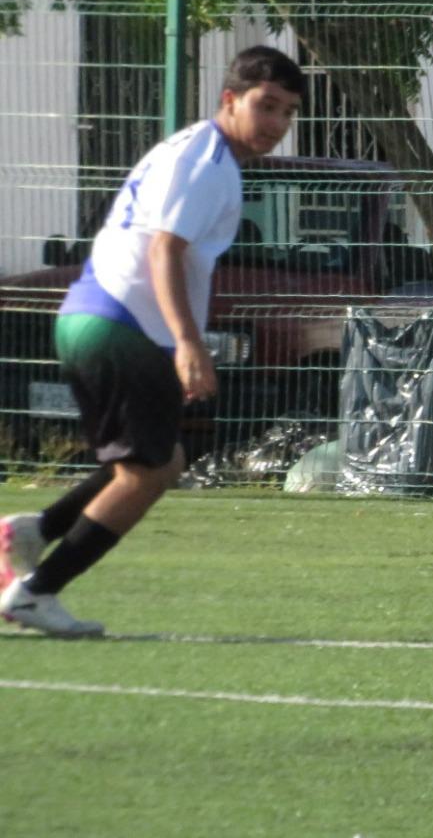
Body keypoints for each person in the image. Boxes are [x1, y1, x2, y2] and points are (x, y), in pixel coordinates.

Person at [0, 46, 305, 636]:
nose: (276, 123)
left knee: (162, 460)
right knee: (145, 471)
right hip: (118, 325)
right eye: (266, 105)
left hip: (105, 321)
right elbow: (164, 249)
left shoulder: (201, 152)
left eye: (288, 112)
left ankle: (30, 534)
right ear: (230, 99)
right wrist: (190, 344)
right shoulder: (204, 161)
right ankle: (34, 593)